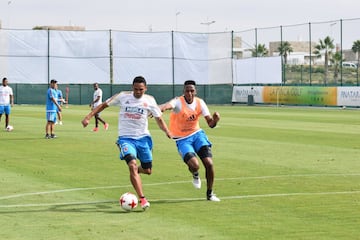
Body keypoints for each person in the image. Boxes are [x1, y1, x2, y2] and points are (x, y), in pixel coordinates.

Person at [81, 76, 171, 210]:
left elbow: (159, 119)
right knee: (132, 165)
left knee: (147, 170)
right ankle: (142, 199)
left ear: (145, 88)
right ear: (132, 87)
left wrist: (167, 131)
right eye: (135, 89)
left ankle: (135, 173)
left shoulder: (150, 100)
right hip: (126, 138)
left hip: (143, 138)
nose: (138, 92)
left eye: (141, 89)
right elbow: (103, 105)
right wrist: (88, 117)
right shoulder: (123, 96)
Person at [160, 80, 221, 201]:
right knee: (194, 165)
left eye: (192, 90)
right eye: (187, 91)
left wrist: (215, 120)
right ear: (183, 91)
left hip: (197, 135)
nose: (190, 93)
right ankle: (195, 174)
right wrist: (160, 108)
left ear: (195, 91)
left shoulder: (200, 102)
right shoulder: (178, 102)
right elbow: (168, 105)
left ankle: (210, 193)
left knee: (209, 163)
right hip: (182, 139)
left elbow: (211, 124)